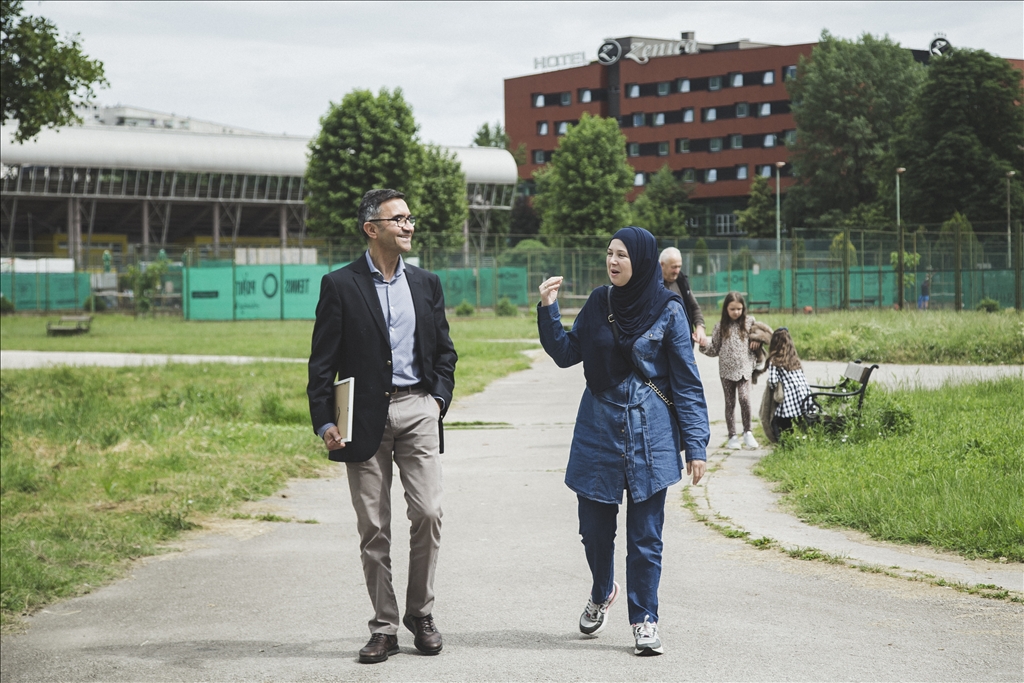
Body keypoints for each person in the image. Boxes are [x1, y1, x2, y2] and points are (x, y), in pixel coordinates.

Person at [536, 227, 710, 657]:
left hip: (651, 433)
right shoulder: (599, 302)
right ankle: (602, 591)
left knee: (645, 537)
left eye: (622, 256)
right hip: (598, 430)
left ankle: (645, 619)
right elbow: (565, 352)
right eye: (609, 254)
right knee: (593, 531)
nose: (613, 262)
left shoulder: (669, 309)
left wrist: (697, 445)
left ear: (643, 261)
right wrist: (548, 308)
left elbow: (687, 383)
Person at [307, 189, 457, 664]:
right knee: (374, 527)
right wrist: (325, 420)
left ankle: (421, 613)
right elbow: (321, 362)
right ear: (372, 229)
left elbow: (445, 352)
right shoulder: (340, 284)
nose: (409, 226)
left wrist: (437, 400)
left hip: (418, 409)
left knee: (429, 513)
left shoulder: (427, 283)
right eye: (399, 219)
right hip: (362, 417)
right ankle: (385, 627)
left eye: (411, 218)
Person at [699, 292, 761, 450]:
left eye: (739, 309)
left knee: (744, 398)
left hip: (745, 369)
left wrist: (757, 341)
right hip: (726, 371)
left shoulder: (749, 322)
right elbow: (714, 349)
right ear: (726, 308)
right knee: (730, 402)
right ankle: (732, 436)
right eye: (732, 309)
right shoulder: (720, 326)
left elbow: (763, 335)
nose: (736, 312)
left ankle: (747, 432)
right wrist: (703, 344)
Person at [759, 327, 810, 437]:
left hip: (788, 397)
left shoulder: (774, 360)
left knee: (777, 419)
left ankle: (782, 440)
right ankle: (791, 436)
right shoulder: (794, 359)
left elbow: (773, 381)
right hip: (803, 396)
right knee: (790, 418)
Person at [659, 247, 708, 346]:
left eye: (679, 266)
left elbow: (694, 307)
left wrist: (700, 326)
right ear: (662, 265)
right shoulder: (652, 285)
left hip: (683, 342)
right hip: (660, 344)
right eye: (673, 267)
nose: (677, 271)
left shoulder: (682, 282)